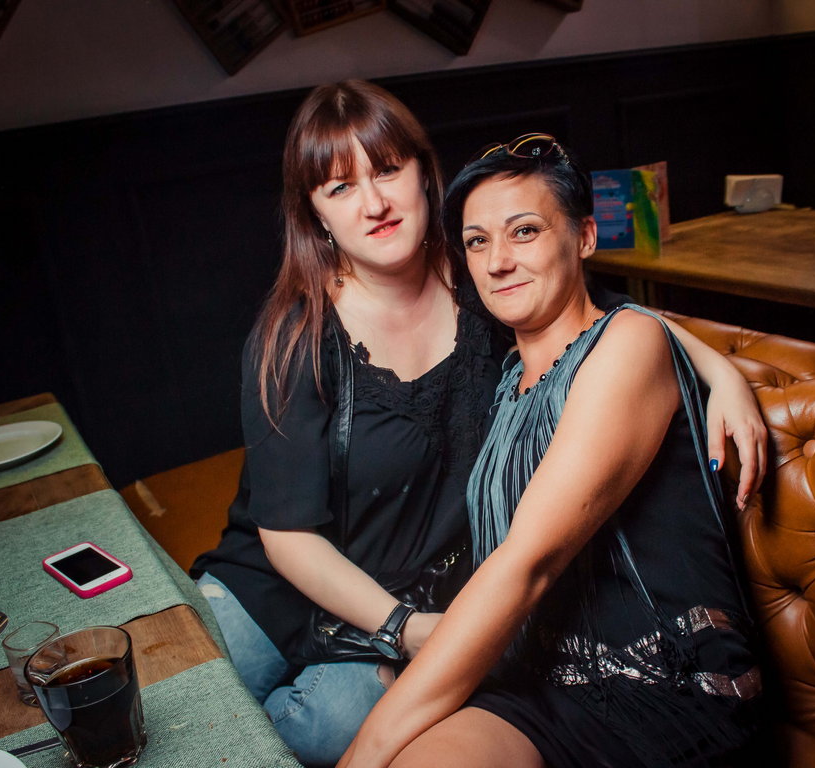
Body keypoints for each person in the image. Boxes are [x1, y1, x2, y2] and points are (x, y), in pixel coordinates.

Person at [192, 82, 766, 767]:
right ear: (314, 212)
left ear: (422, 175)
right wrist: (405, 630)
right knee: (182, 711)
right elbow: (287, 538)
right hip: (286, 584)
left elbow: (600, 316)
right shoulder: (298, 332)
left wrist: (719, 368)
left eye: (387, 171)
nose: (373, 203)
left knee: (322, 728)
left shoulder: (483, 286)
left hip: (425, 597)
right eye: (340, 187)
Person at [336, 134, 764, 768]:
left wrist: (364, 752)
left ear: (585, 236)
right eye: (476, 241)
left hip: (663, 682)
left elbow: (527, 563)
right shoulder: (505, 373)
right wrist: (718, 365)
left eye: (525, 231)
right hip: (538, 679)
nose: (497, 261)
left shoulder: (628, 343)